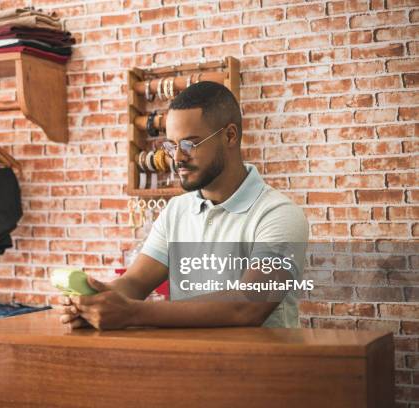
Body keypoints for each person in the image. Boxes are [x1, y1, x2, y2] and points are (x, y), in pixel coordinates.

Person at [60, 81, 309, 330]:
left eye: (190, 144)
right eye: (171, 145)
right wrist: (92, 301)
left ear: (230, 136)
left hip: (259, 368)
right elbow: (134, 283)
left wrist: (132, 313)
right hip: (187, 364)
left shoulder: (279, 214)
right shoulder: (175, 211)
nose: (177, 157)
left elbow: (248, 305)